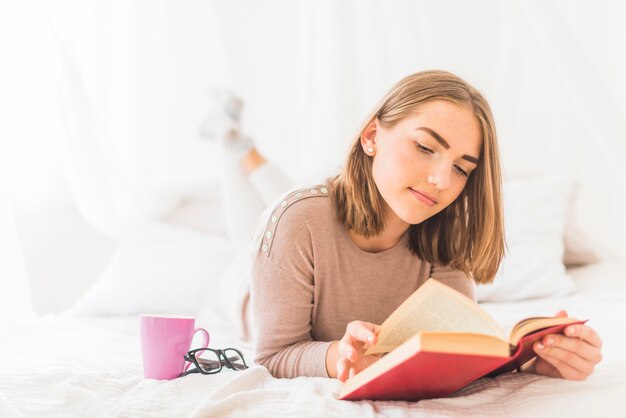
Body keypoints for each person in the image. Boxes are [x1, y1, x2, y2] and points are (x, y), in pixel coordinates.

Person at [201, 71, 602, 384]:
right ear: (372, 135)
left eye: (462, 167)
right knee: (273, 218)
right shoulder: (296, 223)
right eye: (426, 148)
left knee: (293, 205)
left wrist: (536, 365)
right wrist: (333, 354)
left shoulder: (445, 236)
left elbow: (454, 353)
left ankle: (236, 141)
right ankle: (230, 143)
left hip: (302, 228)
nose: (442, 181)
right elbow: (274, 354)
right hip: (247, 284)